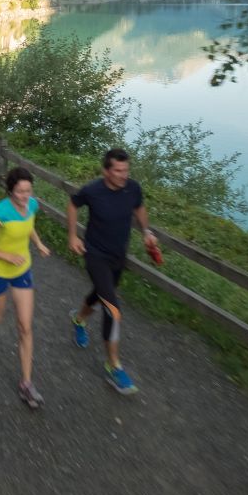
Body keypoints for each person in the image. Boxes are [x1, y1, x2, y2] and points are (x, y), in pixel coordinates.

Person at [67, 148, 155, 395]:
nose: (123, 175)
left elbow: (139, 208)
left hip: (118, 258)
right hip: (95, 256)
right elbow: (73, 205)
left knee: (100, 294)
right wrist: (73, 235)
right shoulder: (93, 190)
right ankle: (113, 365)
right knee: (113, 309)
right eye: (118, 171)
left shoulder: (133, 188)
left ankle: (79, 319)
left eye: (126, 170)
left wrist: (146, 232)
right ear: (106, 171)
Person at [0, 166, 51, 408]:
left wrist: (39, 243)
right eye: (20, 191)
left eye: (28, 190)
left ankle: (26, 383)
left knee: (25, 326)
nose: (25, 196)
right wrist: (6, 256)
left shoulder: (32, 205)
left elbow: (29, 224)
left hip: (22, 271)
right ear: (11, 191)